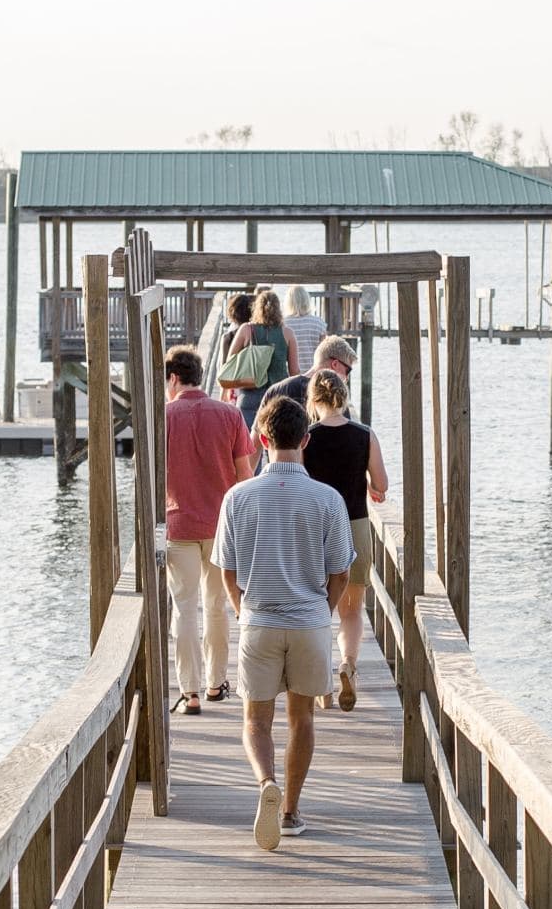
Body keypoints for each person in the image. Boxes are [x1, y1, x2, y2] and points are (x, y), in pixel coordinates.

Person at [212, 393, 353, 848]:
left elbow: (228, 569)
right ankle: (290, 811)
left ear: (261, 437)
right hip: (310, 621)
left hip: (259, 620)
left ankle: (264, 784)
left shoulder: (237, 498)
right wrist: (322, 613)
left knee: (256, 722)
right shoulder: (328, 499)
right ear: (306, 439)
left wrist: (241, 610)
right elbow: (341, 572)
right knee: (302, 720)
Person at [163, 346, 252, 713]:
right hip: (222, 527)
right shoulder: (230, 415)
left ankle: (191, 692)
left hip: (178, 523)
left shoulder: (163, 417)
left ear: (173, 379)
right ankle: (216, 683)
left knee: (184, 608)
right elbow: (245, 476)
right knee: (216, 606)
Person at [303, 366, 388, 712]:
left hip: (315, 530)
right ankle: (348, 666)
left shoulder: (306, 437)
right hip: (354, 527)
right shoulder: (364, 434)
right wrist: (367, 485)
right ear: (343, 397)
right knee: (352, 612)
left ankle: (321, 682)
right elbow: (381, 485)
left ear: (313, 400)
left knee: (316, 609)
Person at [225, 287, 292, 429]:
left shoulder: (246, 329)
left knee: (248, 445)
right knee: (274, 443)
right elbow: (294, 370)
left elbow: (230, 361)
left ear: (256, 308)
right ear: (279, 309)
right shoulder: (287, 333)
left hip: (249, 394)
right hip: (278, 395)